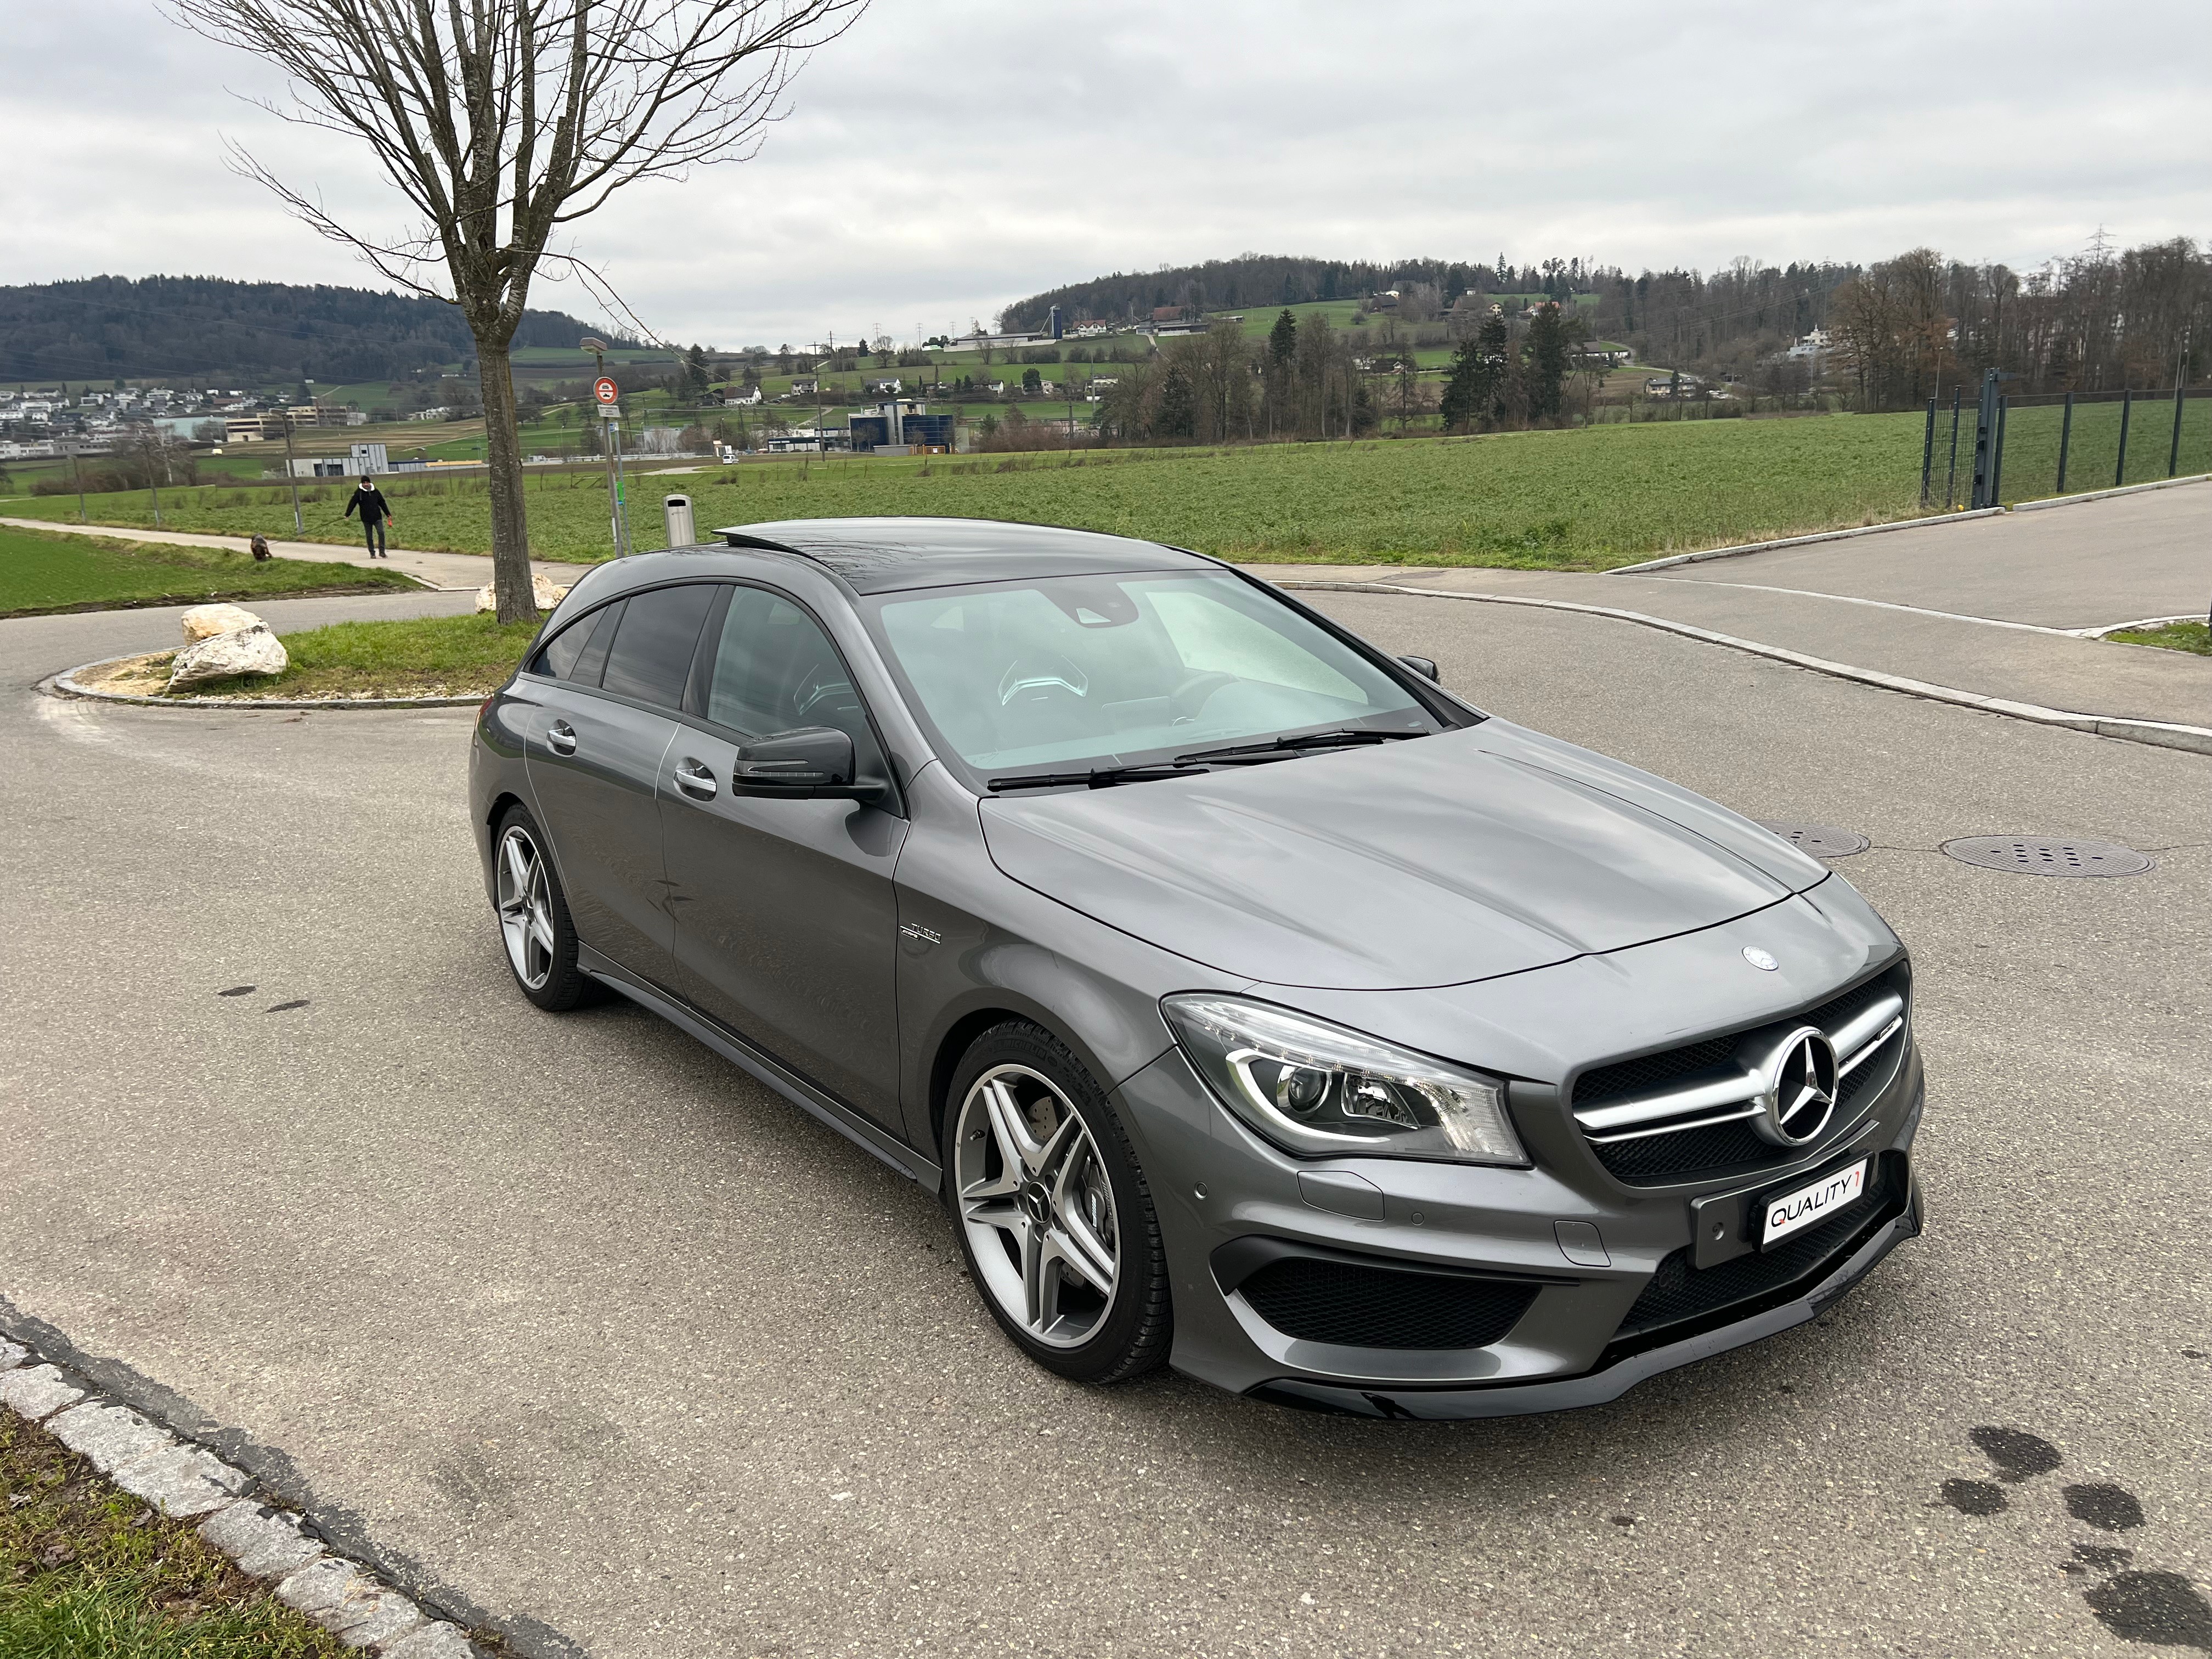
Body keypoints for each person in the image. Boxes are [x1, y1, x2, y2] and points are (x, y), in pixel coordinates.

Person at [343, 475, 396, 558]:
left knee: (381, 533)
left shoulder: (376, 492)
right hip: (366, 518)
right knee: (369, 536)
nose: (366, 484)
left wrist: (388, 514)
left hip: (377, 517)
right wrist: (347, 514)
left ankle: (382, 552)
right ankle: (372, 553)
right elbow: (352, 503)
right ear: (362, 484)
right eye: (364, 483)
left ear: (370, 483)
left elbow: (382, 503)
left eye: (367, 482)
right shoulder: (359, 493)